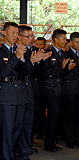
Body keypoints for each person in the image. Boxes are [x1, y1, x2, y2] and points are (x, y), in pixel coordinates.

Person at [14, 25, 50, 159]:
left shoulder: (35, 50)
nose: (31, 39)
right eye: (27, 36)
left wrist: (39, 61)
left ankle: (25, 149)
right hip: (16, 89)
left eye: (32, 36)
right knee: (16, 123)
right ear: (19, 36)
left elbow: (38, 72)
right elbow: (20, 70)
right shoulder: (14, 50)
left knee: (29, 122)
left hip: (32, 88)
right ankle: (16, 149)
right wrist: (31, 62)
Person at [0, 22, 30, 160]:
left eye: (16, 33)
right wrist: (16, 57)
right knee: (7, 130)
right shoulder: (1, 52)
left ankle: (10, 154)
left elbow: (26, 73)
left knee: (17, 128)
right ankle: (6, 157)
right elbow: (3, 72)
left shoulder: (17, 50)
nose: (14, 36)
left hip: (19, 95)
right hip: (6, 95)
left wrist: (23, 60)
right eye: (12, 32)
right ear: (4, 33)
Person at [39, 29, 71, 152]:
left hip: (58, 88)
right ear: (55, 39)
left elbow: (61, 73)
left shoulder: (63, 54)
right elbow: (44, 72)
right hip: (48, 88)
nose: (65, 41)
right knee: (52, 114)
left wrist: (67, 69)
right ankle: (48, 143)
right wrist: (61, 67)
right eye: (63, 39)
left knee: (56, 115)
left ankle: (52, 140)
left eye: (66, 38)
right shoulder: (47, 53)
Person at [61, 32, 79, 149]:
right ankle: (70, 139)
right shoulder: (65, 55)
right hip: (69, 89)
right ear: (71, 42)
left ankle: (77, 137)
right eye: (77, 42)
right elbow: (62, 73)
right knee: (69, 116)